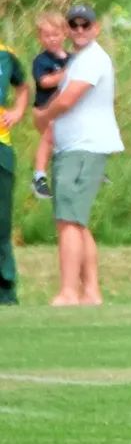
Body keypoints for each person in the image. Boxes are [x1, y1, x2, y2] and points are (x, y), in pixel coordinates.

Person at [33, 5, 123, 307]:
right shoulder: (78, 60)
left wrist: (44, 115)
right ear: (69, 29)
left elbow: (68, 99)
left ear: (96, 28)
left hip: (83, 148)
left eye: (86, 25)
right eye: (75, 25)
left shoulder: (93, 59)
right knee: (76, 221)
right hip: (75, 147)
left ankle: (69, 292)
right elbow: (62, 94)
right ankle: (90, 293)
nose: (80, 30)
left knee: (68, 220)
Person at [29, 12, 72, 200]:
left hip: (66, 110)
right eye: (46, 35)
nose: (52, 39)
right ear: (40, 38)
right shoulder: (41, 61)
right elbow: (45, 82)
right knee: (50, 135)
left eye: (56, 34)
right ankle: (39, 178)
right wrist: (67, 73)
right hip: (45, 109)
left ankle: (88, 172)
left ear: (65, 34)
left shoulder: (72, 58)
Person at [0, 41, 30, 305]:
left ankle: (5, 292)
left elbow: (23, 86)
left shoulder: (6, 55)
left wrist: (18, 111)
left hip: (1, 146)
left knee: (1, 221)